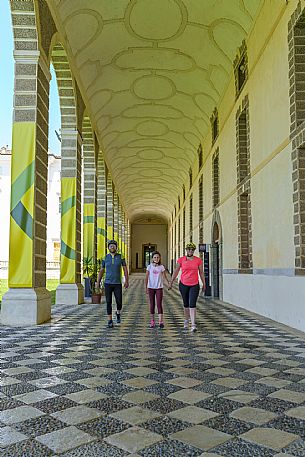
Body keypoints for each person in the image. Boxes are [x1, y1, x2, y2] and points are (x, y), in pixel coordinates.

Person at [169, 242, 205, 332]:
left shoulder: (198, 260)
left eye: (192, 249)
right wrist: (171, 282)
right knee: (186, 304)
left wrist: (204, 284)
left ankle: (193, 324)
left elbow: (201, 272)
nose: (190, 251)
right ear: (186, 250)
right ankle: (186, 320)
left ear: (194, 251)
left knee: (192, 304)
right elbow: (176, 271)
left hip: (194, 285)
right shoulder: (181, 260)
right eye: (189, 249)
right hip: (183, 284)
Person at [96, 240, 129, 328]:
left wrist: (126, 280)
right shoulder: (105, 258)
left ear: (116, 247)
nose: (112, 247)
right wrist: (98, 283)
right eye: (110, 246)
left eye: (114, 246)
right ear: (108, 247)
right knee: (108, 302)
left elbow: (125, 269)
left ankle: (118, 313)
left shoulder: (121, 257)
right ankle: (110, 320)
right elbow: (101, 270)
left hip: (117, 283)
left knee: (119, 302)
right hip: (108, 283)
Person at [145, 251, 170, 329]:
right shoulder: (149, 267)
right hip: (151, 287)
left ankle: (160, 321)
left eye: (158, 257)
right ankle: (152, 321)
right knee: (152, 304)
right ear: (152, 258)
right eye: (155, 257)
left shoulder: (161, 267)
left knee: (159, 304)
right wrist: (145, 287)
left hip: (159, 287)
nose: (156, 259)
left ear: (160, 258)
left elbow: (165, 276)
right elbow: (146, 277)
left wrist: (168, 283)